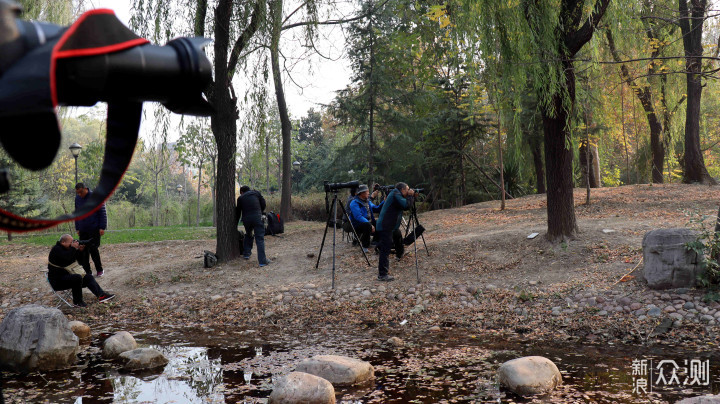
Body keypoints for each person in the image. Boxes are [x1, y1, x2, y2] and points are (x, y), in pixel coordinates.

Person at [48, 234, 115, 307]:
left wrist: (80, 251)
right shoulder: (56, 249)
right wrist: (73, 248)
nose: (73, 243)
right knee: (77, 278)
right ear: (63, 242)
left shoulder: (68, 249)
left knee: (88, 277)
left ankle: (101, 295)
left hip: (68, 277)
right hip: (57, 281)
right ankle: (77, 302)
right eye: (71, 242)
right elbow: (66, 258)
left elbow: (79, 261)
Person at [375, 182, 415, 281]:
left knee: (396, 236)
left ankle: (399, 253)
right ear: (402, 190)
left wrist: (411, 197)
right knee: (385, 249)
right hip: (385, 226)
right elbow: (406, 205)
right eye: (407, 189)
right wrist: (410, 196)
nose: (408, 191)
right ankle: (382, 274)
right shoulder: (395, 194)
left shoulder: (396, 194)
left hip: (389, 226)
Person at [75, 182, 107, 277]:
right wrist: (77, 227)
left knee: (93, 249)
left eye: (81, 192)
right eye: (78, 193)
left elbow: (102, 213)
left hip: (94, 228)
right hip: (83, 228)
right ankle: (87, 272)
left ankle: (99, 269)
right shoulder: (77, 199)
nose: (80, 195)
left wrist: (102, 227)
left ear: (85, 189)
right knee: (83, 250)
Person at [236, 185, 271, 267]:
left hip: (246, 219)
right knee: (259, 239)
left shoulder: (240, 198)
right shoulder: (256, 193)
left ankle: (246, 254)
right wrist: (260, 211)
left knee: (248, 234)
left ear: (241, 192)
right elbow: (263, 204)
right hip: (257, 217)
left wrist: (235, 223)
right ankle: (262, 261)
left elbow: (238, 212)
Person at [348, 184, 383, 253]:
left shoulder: (367, 201)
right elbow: (358, 216)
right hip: (357, 225)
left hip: (368, 222)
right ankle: (365, 247)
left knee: (379, 222)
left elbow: (376, 209)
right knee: (367, 225)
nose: (369, 193)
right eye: (367, 191)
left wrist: (384, 201)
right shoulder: (354, 203)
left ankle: (375, 241)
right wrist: (369, 224)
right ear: (362, 193)